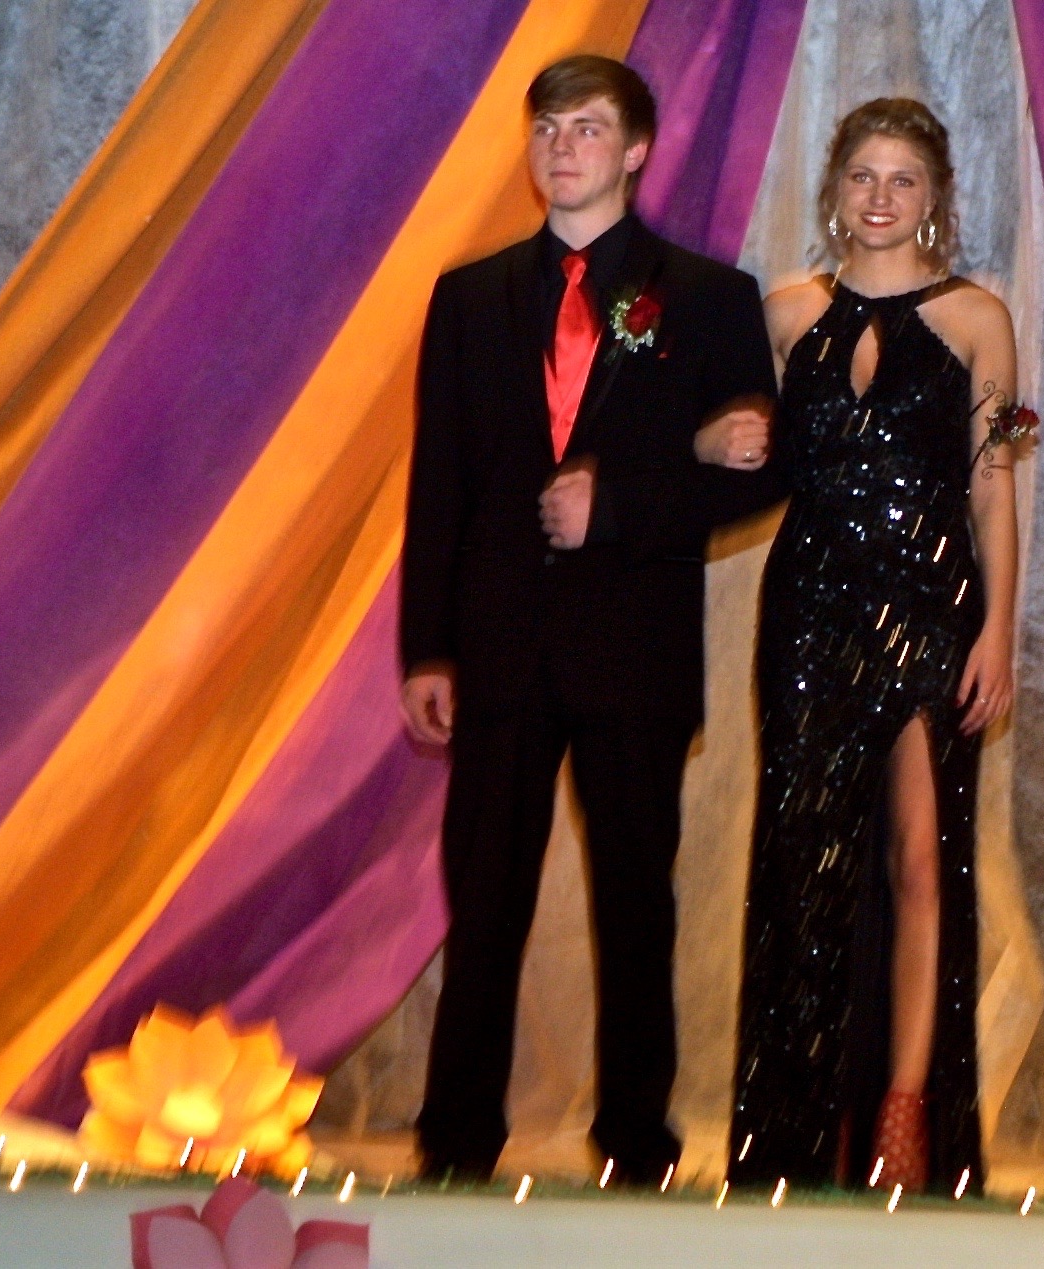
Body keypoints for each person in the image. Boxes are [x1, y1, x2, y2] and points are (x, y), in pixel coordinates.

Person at [399, 54, 783, 1186]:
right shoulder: (468, 297)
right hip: (498, 647)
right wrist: (427, 647)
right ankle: (455, 1142)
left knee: (634, 905)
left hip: (634, 649)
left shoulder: (709, 296)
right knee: (485, 902)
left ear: (637, 149)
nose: (561, 147)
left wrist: (615, 508)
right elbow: (439, 486)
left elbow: (761, 470)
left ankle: (635, 1145)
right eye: (546, 128)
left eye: (586, 127)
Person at [729, 98, 1019, 1197]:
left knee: (917, 858)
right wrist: (713, 435)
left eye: (902, 179)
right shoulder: (784, 312)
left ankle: (905, 1109)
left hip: (930, 613)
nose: (880, 197)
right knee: (800, 868)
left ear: (933, 196)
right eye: (862, 176)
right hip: (808, 614)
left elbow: (994, 486)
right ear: (834, 189)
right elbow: (739, 450)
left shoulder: (977, 318)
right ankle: (796, 1127)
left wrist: (997, 629)